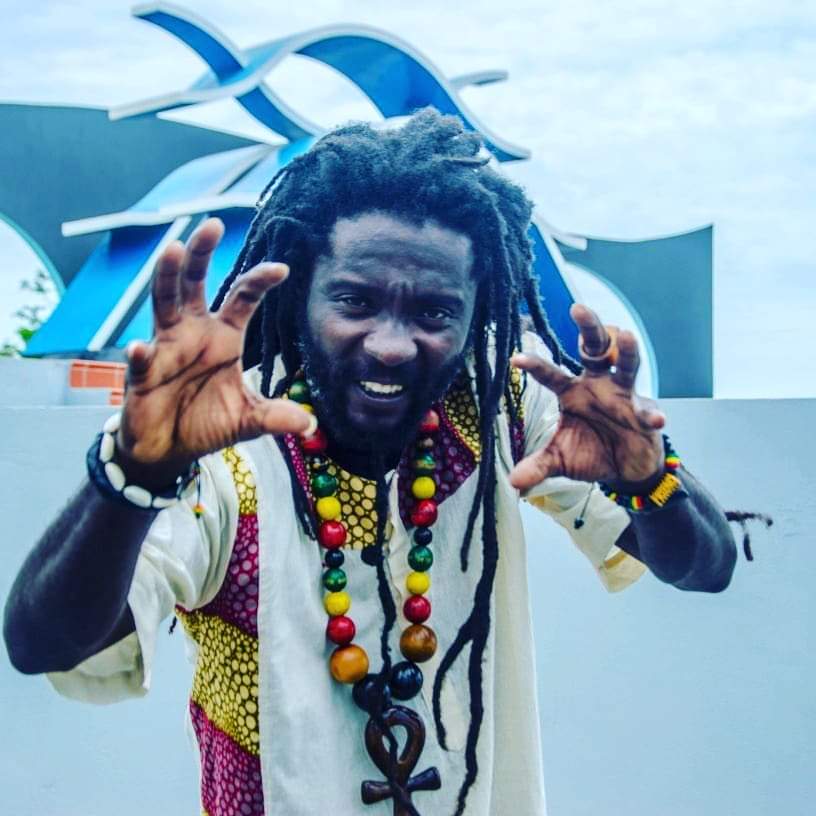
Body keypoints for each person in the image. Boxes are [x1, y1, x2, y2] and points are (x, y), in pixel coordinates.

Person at [3, 109, 736, 816]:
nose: (391, 345)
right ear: (300, 292)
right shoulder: (224, 444)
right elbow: (44, 644)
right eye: (355, 301)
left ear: (477, 313)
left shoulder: (503, 405)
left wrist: (647, 477)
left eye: (434, 313)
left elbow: (705, 567)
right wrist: (134, 477)